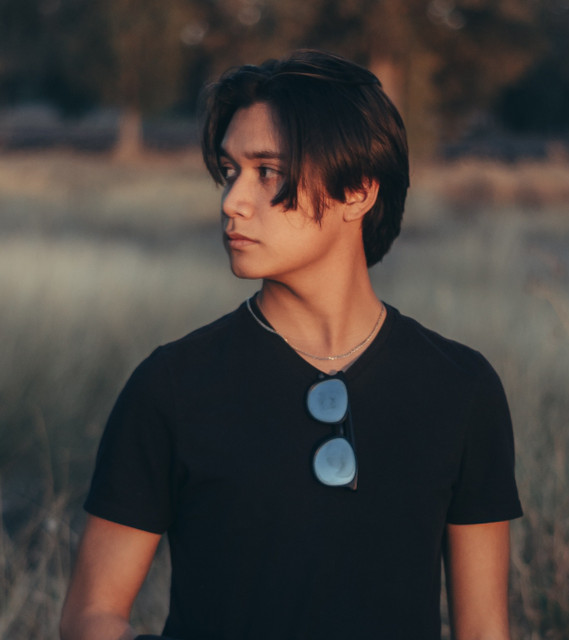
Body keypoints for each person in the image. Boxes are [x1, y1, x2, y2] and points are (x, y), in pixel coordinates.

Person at [60, 49, 522, 640]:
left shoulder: (460, 387)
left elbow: (484, 629)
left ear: (358, 191)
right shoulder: (172, 385)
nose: (232, 201)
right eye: (230, 170)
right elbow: (90, 617)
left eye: (267, 171)